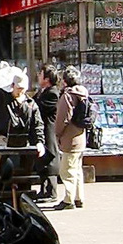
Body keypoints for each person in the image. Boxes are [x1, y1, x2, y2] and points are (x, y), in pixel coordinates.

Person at [53, 66, 89, 210]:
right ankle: (79, 197)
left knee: (66, 170)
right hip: (81, 136)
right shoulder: (83, 94)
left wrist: (57, 133)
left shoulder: (67, 96)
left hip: (70, 138)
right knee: (77, 169)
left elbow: (63, 118)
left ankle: (68, 200)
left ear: (65, 81)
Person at [33, 65, 60, 201]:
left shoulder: (53, 93)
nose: (38, 75)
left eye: (41, 74)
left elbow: (39, 107)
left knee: (49, 157)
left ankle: (51, 191)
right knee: (41, 159)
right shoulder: (43, 91)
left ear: (47, 78)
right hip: (42, 129)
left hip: (48, 129)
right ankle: (43, 189)